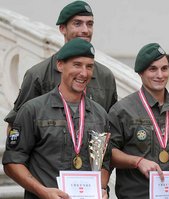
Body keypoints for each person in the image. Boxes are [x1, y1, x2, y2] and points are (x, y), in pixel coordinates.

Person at [2, 38, 110, 199]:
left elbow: (105, 164)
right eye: (77, 65)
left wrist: (100, 189)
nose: (84, 73)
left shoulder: (100, 114)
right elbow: (12, 162)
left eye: (89, 67)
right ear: (60, 65)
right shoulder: (33, 110)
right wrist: (42, 191)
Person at [4, 0, 117, 133]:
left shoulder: (105, 76)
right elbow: (17, 126)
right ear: (63, 28)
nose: (85, 30)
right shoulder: (38, 75)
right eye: (77, 23)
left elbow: (113, 127)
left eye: (89, 24)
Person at [106, 43, 169, 198]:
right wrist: (137, 161)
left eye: (164, 68)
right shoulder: (122, 110)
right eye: (152, 69)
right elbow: (108, 154)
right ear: (140, 72)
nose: (160, 75)